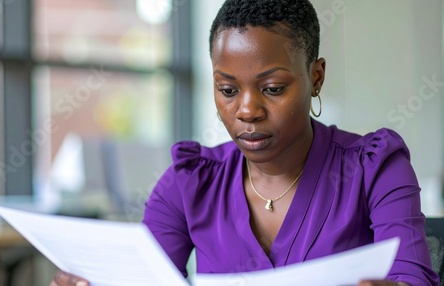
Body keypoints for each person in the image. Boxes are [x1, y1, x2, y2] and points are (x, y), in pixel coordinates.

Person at [50, 0, 439, 285]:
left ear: (316, 77)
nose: (247, 110)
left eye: (272, 88)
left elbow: (412, 280)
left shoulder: (375, 168)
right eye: (228, 89)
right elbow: (140, 279)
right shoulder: (189, 183)